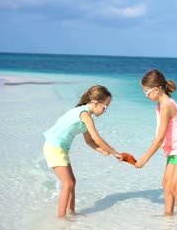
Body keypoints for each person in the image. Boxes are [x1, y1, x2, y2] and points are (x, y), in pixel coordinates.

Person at [42, 85, 123, 217]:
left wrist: (102, 151)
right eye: (105, 107)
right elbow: (96, 138)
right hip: (54, 147)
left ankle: (72, 213)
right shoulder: (85, 115)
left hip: (59, 148)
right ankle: (61, 218)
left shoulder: (83, 113)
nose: (105, 111)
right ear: (96, 103)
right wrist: (115, 152)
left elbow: (89, 141)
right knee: (68, 184)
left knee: (72, 182)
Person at [136, 69, 177, 225]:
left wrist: (144, 159)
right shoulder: (160, 105)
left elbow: (159, 139)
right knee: (166, 184)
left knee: (175, 186)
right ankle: (168, 215)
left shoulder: (166, 107)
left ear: (157, 89)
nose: (146, 96)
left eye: (147, 92)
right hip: (174, 147)